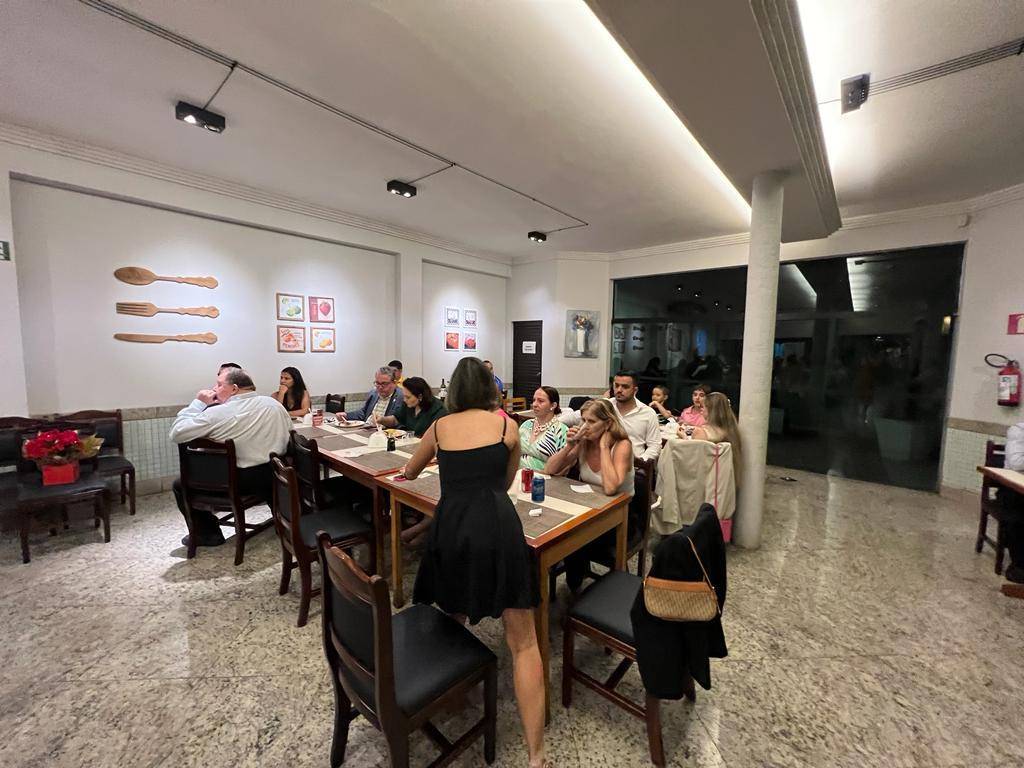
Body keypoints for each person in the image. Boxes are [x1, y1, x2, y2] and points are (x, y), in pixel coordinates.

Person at [402, 357, 546, 767]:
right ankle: (537, 755)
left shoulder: (439, 427)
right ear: (489, 389)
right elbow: (505, 481)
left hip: (453, 524)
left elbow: (410, 472)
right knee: (524, 642)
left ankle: (453, 693)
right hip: (497, 524)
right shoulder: (506, 427)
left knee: (453, 613)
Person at [168, 368, 291, 547]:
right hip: (275, 475)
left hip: (240, 481)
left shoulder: (218, 413)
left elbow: (177, 433)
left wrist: (198, 403)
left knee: (180, 485)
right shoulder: (273, 404)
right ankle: (285, 524)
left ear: (234, 388)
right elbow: (289, 434)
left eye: (219, 385)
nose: (214, 388)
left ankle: (208, 534)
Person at [546, 398, 635, 592]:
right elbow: (550, 470)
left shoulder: (622, 445)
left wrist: (604, 447)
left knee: (572, 539)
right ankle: (574, 586)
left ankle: (578, 588)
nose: (585, 426)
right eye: (583, 420)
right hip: (590, 508)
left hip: (621, 515)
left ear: (608, 423)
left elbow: (610, 488)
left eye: (592, 421)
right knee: (561, 529)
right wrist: (569, 446)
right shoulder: (585, 443)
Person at [560, 371, 661, 461]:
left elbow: (654, 445)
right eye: (616, 385)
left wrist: (642, 461)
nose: (619, 390)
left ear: (635, 390)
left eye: (625, 387)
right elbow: (571, 418)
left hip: (634, 464)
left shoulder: (648, 413)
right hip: (600, 461)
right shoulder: (604, 405)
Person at [684, 392, 743, 482]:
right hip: (723, 478)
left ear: (711, 410)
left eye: (703, 407)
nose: (701, 410)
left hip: (703, 479)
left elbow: (692, 459)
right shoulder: (730, 431)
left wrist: (684, 436)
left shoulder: (701, 432)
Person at [375, 376, 446, 437]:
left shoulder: (438, 409)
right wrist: (381, 419)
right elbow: (395, 420)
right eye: (404, 396)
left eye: (408, 397)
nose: (404, 400)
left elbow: (436, 436)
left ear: (420, 396)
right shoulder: (408, 404)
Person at [519, 386, 568, 470]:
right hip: (518, 474)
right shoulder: (526, 425)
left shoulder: (562, 431)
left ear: (553, 405)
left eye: (540, 401)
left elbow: (563, 468)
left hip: (544, 476)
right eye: (534, 400)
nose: (534, 404)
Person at [1000, 419, 1024, 583]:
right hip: (1012, 489)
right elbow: (1016, 463)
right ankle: (1018, 566)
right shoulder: (1019, 431)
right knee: (1018, 515)